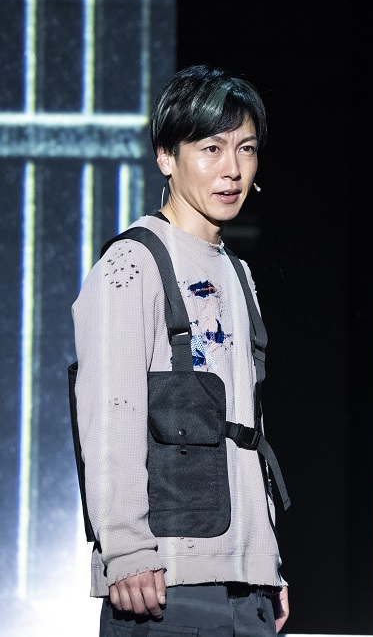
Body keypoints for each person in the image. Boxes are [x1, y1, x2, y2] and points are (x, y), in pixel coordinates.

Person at [72, 64, 290, 636]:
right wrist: (125, 549)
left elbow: (244, 427)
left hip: (246, 583)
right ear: (167, 157)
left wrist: (266, 561)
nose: (232, 168)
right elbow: (110, 412)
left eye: (246, 148)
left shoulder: (238, 273)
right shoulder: (132, 264)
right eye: (211, 148)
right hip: (166, 581)